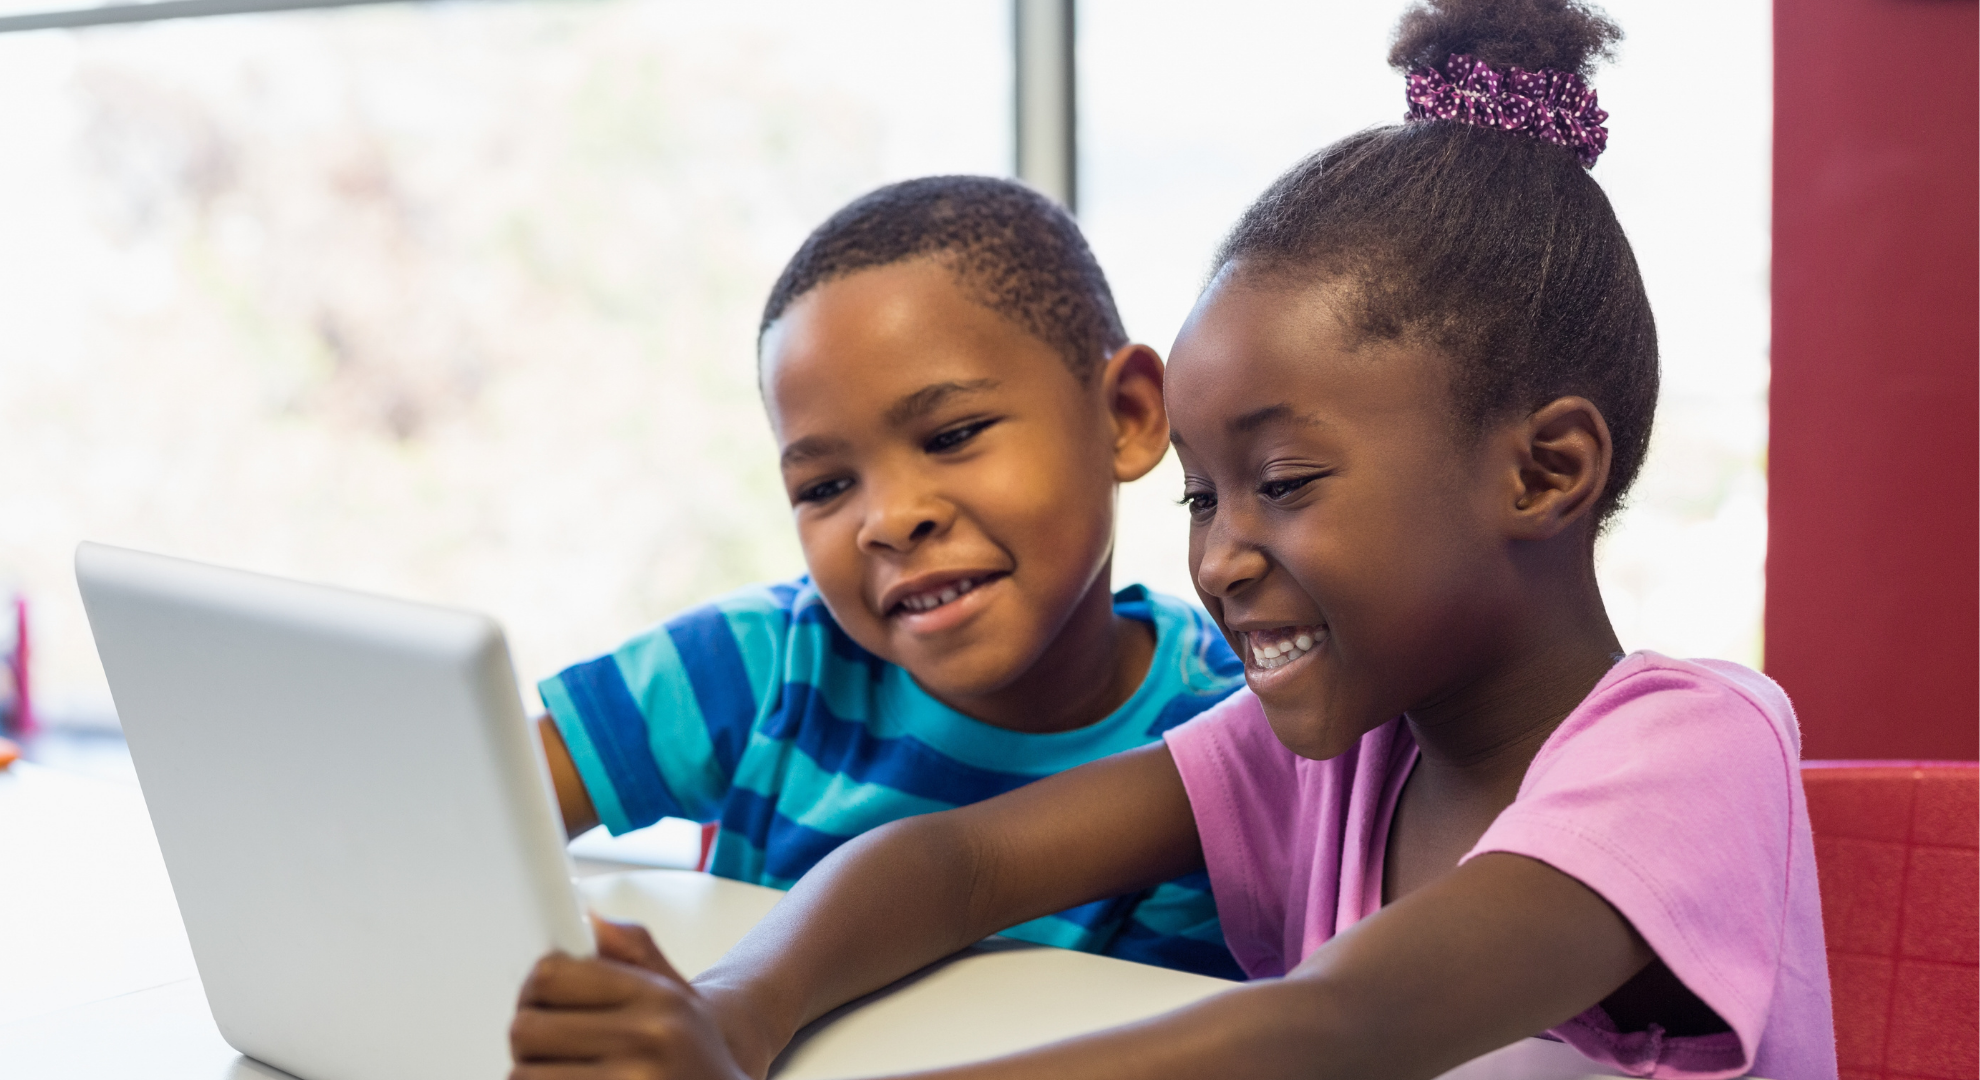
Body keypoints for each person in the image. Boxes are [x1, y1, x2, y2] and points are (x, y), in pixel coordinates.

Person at [509, 1, 1840, 1077]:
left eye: (1284, 481)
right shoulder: (1331, 756)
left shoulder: (1693, 752)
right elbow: (958, 861)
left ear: (1545, 472)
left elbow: (1333, 1031)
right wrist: (736, 1011)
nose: (1220, 559)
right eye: (1203, 497)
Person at [535, 175, 1249, 979]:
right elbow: (471, 805)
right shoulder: (762, 660)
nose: (889, 520)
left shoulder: (1232, 743)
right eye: (825, 487)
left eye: (953, 435)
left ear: (1126, 415)